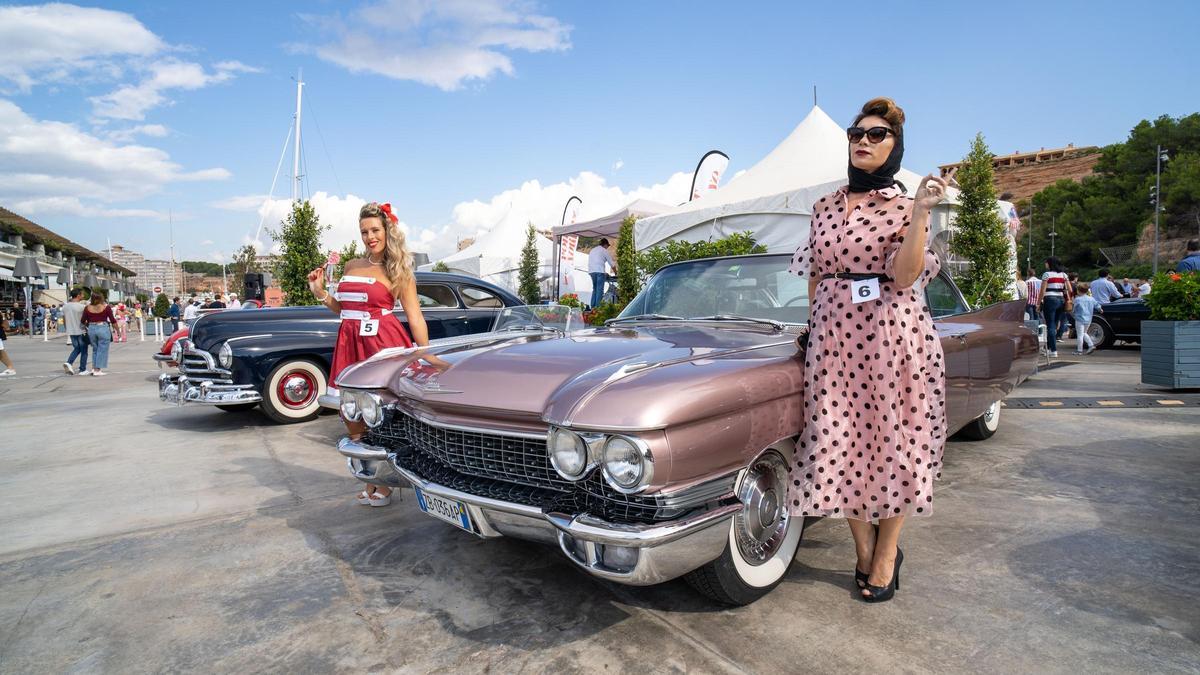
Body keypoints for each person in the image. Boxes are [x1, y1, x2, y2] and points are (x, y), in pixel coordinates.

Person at [788, 97, 948, 603]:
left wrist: (922, 212)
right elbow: (816, 276)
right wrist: (812, 329)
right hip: (834, 342)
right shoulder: (825, 207)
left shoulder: (905, 209)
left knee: (892, 446)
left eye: (876, 135)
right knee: (838, 442)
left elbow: (904, 277)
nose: (862, 140)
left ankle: (886, 553)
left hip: (892, 340)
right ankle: (862, 548)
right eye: (857, 133)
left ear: (895, 146)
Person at [308, 201, 429, 508]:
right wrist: (320, 292)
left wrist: (427, 355)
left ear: (387, 230)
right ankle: (370, 477)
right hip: (349, 344)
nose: (370, 237)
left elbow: (415, 317)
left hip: (382, 345)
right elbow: (344, 309)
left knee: (381, 415)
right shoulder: (351, 265)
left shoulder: (399, 270)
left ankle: (385, 483)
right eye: (364, 232)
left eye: (375, 230)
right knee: (351, 415)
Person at [1039, 257, 1071, 357]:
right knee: (1055, 325)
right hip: (1061, 300)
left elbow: (1042, 291)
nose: (1045, 264)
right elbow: (1069, 289)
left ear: (1050, 264)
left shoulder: (1046, 275)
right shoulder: (1064, 275)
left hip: (1049, 300)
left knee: (1050, 326)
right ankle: (1049, 348)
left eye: (1046, 262)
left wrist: (1038, 303)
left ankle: (1053, 350)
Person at [81, 292, 116, 376]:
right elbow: (112, 320)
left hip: (92, 328)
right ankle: (98, 370)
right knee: (102, 349)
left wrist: (87, 326)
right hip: (103, 327)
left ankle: (93, 368)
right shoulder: (106, 307)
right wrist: (117, 331)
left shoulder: (87, 308)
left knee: (95, 349)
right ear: (101, 298)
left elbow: (82, 320)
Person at [62, 288, 89, 375]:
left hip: (71, 330)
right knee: (84, 350)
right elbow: (85, 320)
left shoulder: (65, 306)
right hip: (81, 330)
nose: (83, 296)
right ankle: (82, 369)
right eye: (82, 294)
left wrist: (67, 328)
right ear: (78, 296)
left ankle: (69, 363)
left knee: (77, 348)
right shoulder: (82, 307)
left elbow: (64, 319)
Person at [1071, 283, 1103, 355]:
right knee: (1084, 333)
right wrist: (1100, 309)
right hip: (1089, 318)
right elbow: (1097, 305)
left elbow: (1073, 309)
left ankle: (1079, 350)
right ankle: (1091, 345)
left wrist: (1072, 314)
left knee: (1079, 335)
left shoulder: (1077, 299)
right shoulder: (1091, 299)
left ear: (1078, 291)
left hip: (1079, 319)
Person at [587, 239, 617, 309]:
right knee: (600, 290)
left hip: (592, 272)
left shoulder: (593, 250)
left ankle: (593, 307)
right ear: (605, 244)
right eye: (607, 246)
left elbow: (596, 262)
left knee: (595, 289)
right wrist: (616, 273)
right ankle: (598, 308)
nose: (607, 247)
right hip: (599, 272)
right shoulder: (604, 250)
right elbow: (612, 264)